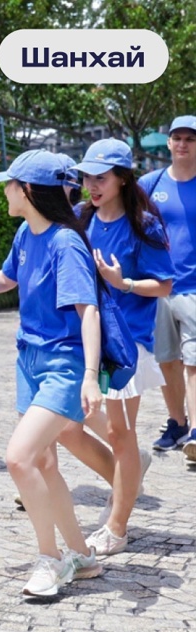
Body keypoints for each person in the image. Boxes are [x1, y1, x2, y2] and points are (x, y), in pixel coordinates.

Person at [0, 150, 103, 598]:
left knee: (19, 457)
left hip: (63, 365)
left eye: (10, 184)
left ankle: (50, 559)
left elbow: (87, 310)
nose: (5, 191)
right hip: (28, 361)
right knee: (45, 463)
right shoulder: (26, 233)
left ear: (28, 190)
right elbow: (9, 278)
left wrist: (90, 375)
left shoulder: (65, 243)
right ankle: (82, 556)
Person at [55, 139, 173, 556]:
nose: (91, 184)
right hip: (87, 337)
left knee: (121, 433)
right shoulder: (81, 218)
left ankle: (117, 527)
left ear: (123, 178)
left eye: (100, 177)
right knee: (68, 427)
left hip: (128, 343)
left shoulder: (144, 225)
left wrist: (123, 283)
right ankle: (129, 474)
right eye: (87, 176)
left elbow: (164, 285)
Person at [139, 116, 196, 460]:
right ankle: (177, 423)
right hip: (159, 287)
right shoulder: (150, 183)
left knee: (194, 360)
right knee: (166, 361)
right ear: (169, 143)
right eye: (177, 138)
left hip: (195, 289)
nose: (183, 144)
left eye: (190, 138)